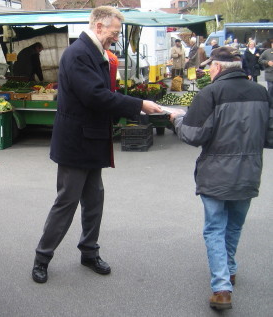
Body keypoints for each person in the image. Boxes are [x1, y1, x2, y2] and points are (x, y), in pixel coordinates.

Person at [31, 6, 162, 284]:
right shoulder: (78, 54)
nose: (115, 38)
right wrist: (138, 105)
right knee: (66, 202)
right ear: (99, 27)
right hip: (76, 142)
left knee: (94, 201)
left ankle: (89, 252)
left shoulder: (96, 52)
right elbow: (95, 95)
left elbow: (101, 95)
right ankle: (42, 257)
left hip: (92, 138)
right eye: (113, 33)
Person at [170, 46, 273, 310]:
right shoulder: (260, 92)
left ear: (216, 68)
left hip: (216, 174)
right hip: (249, 172)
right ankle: (229, 268)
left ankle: (222, 287)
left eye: (209, 67)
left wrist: (176, 119)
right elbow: (269, 135)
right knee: (234, 226)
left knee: (215, 229)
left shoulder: (211, 93)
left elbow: (193, 135)